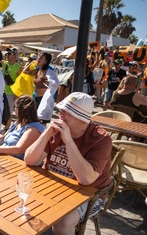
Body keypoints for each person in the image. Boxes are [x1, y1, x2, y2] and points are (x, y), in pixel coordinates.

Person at [24, 92, 112, 234]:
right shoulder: (56, 130)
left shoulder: (101, 139)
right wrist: (46, 135)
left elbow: (86, 179)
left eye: (67, 111)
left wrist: (68, 140)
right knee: (20, 197)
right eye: (61, 110)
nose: (60, 114)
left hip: (89, 194)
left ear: (82, 119)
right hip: (54, 185)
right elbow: (29, 160)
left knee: (63, 221)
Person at [0, 95, 45, 160]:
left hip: (16, 162)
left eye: (15, 107)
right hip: (4, 157)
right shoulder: (18, 123)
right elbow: (4, 137)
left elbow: (18, 150)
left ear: (18, 109)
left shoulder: (33, 129)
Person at [2, 47, 22, 134]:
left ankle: (6, 128)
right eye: (7, 54)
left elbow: (20, 83)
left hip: (11, 93)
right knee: (2, 110)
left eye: (9, 54)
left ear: (14, 55)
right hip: (2, 92)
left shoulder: (18, 67)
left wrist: (17, 94)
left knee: (9, 111)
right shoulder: (4, 64)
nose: (7, 55)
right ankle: (5, 126)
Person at [35, 52, 59, 124]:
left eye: (41, 57)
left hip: (43, 99)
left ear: (45, 61)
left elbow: (56, 83)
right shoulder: (36, 69)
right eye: (38, 56)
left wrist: (50, 82)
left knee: (42, 122)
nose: (38, 58)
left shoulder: (50, 71)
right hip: (34, 97)